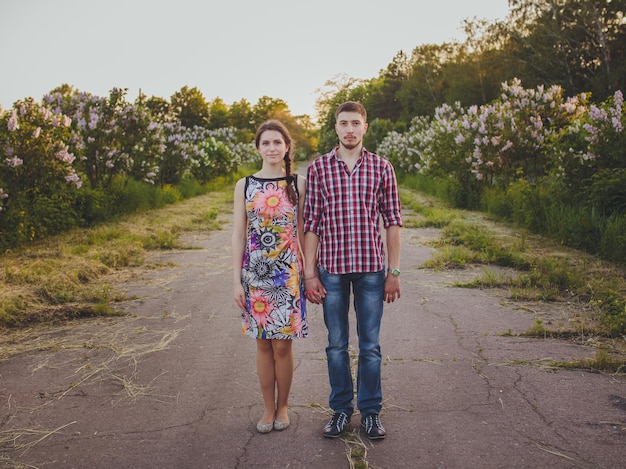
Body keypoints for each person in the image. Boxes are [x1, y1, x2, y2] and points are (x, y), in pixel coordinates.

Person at [303, 101, 402, 440]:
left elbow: (393, 222)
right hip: (331, 270)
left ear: (365, 127)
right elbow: (312, 224)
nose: (349, 129)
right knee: (336, 345)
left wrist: (394, 272)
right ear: (335, 128)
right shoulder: (319, 169)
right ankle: (341, 410)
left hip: (372, 271)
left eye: (355, 123)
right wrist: (310, 273)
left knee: (370, 346)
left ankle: (371, 413)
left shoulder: (381, 167)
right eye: (343, 123)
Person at [232, 119, 308, 434]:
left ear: (287, 146)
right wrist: (235, 279)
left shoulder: (298, 183)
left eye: (278, 142)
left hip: (288, 274)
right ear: (258, 148)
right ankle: (267, 408)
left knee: (282, 346)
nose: (272, 148)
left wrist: (310, 272)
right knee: (263, 344)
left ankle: (283, 406)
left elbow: (304, 232)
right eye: (266, 143)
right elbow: (238, 233)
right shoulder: (245, 185)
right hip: (255, 274)